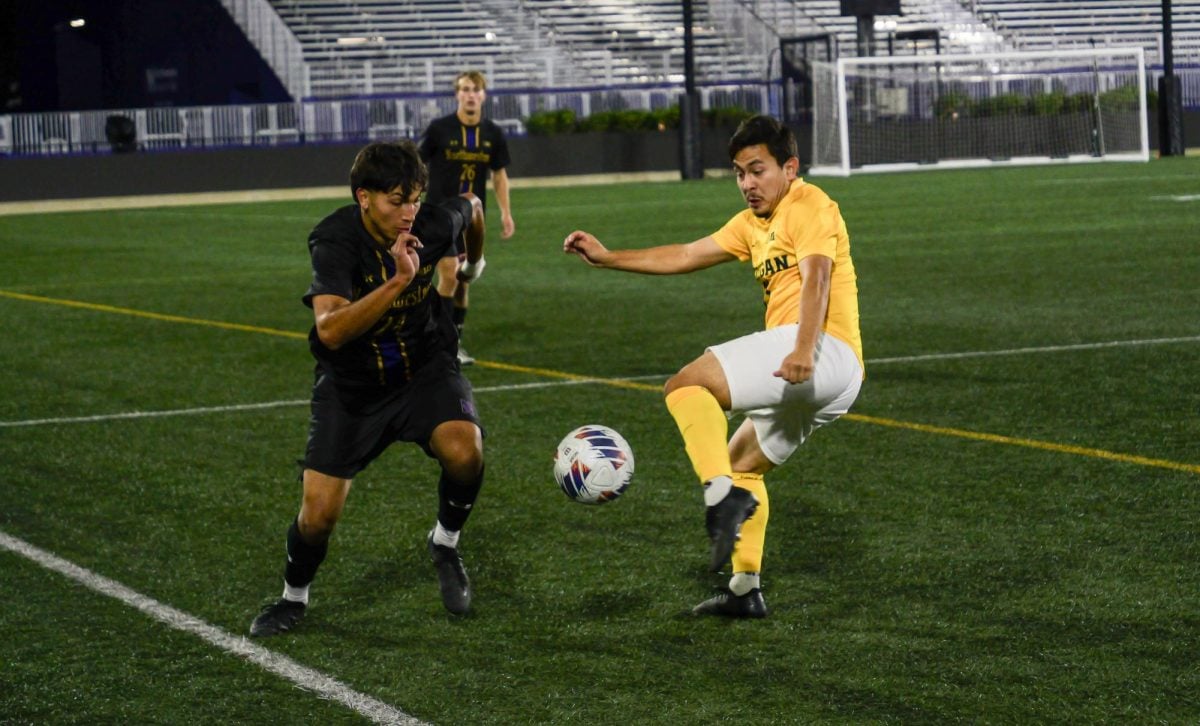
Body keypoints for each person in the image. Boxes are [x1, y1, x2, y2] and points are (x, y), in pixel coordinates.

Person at [562, 115, 864, 619]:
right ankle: (745, 589)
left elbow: (817, 279)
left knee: (686, 385)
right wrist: (609, 257)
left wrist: (802, 350)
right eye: (739, 173)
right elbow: (684, 254)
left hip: (820, 350)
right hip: (828, 375)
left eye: (757, 170)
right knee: (744, 461)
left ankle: (720, 497)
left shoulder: (810, 205)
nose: (747, 183)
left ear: (789, 168)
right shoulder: (751, 225)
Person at [249, 140, 488, 637]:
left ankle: (444, 543)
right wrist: (399, 280)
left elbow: (474, 209)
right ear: (364, 197)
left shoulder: (430, 224)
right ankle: (293, 599)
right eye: (396, 200)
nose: (409, 212)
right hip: (353, 387)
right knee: (317, 517)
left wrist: (471, 266)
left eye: (416, 198)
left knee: (466, 451)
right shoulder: (335, 241)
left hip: (425, 368)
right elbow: (331, 329)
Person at [419, 69, 515, 366]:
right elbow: (417, 165)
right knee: (449, 274)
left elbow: (499, 176)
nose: (470, 94)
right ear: (457, 94)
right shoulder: (439, 129)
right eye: (464, 89)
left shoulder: (493, 134)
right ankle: (440, 345)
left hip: (472, 220)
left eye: (475, 89)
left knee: (463, 282)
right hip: (438, 215)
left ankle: (453, 339)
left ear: (483, 95)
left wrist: (506, 213)